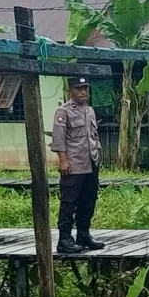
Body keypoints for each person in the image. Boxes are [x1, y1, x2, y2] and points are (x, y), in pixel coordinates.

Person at [51, 77, 105, 254]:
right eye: (79, 89)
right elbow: (58, 139)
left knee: (88, 201)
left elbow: (93, 137)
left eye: (85, 89)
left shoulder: (89, 111)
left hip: (90, 162)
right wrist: (63, 160)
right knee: (69, 202)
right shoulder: (63, 111)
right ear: (70, 91)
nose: (83, 92)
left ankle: (84, 234)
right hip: (74, 164)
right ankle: (64, 239)